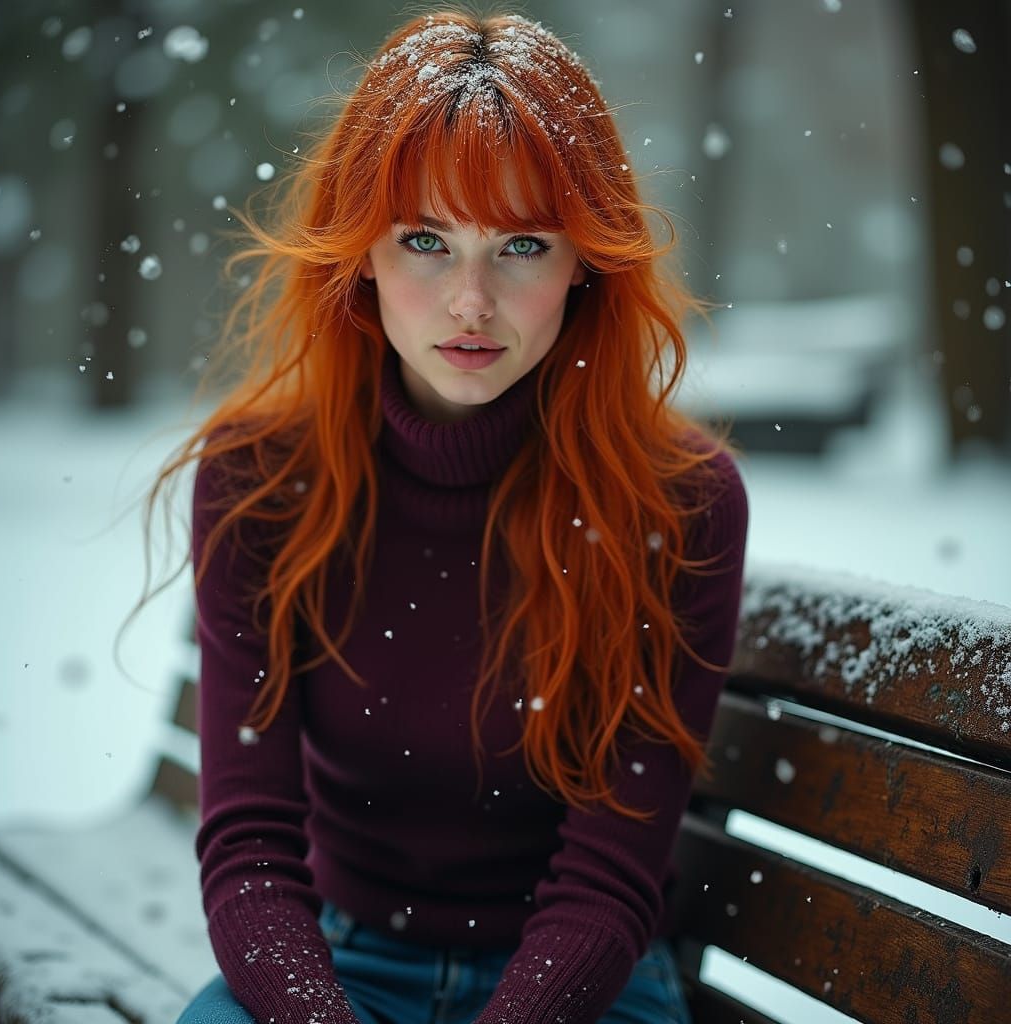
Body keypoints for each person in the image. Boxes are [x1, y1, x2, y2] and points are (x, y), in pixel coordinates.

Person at [157, 7, 748, 1023]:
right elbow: (250, 840)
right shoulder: (262, 480)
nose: (470, 300)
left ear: (583, 264)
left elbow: (608, 875)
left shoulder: (677, 502)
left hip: (584, 987)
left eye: (521, 243)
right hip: (336, 972)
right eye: (425, 239)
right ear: (363, 256)